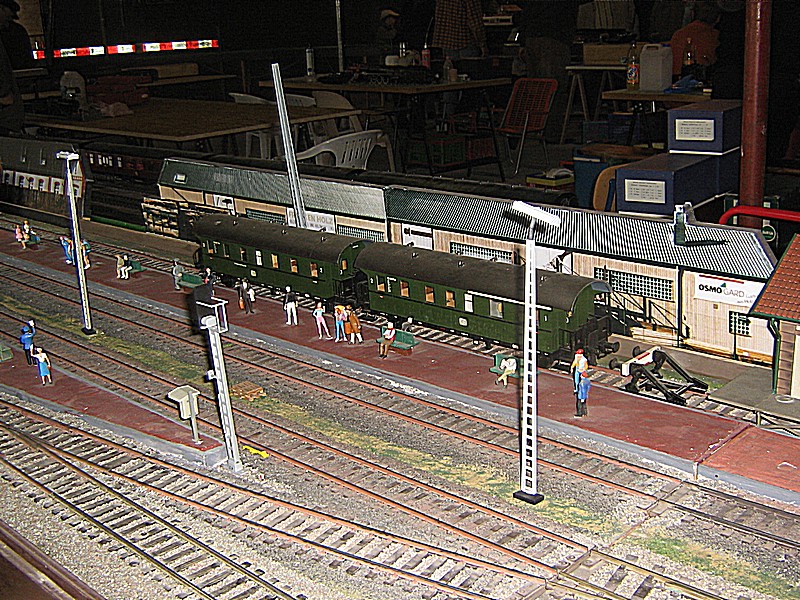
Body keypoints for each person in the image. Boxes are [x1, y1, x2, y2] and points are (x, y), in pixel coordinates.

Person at [431, 0, 488, 118]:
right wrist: (482, 43)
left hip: (446, 40)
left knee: (449, 82)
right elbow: (474, 21)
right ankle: (468, 118)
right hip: (466, 41)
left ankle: (448, 117)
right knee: (471, 84)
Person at [670, 0, 720, 78]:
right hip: (699, 78)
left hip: (674, 78)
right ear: (718, 18)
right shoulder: (714, 36)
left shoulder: (678, 34)